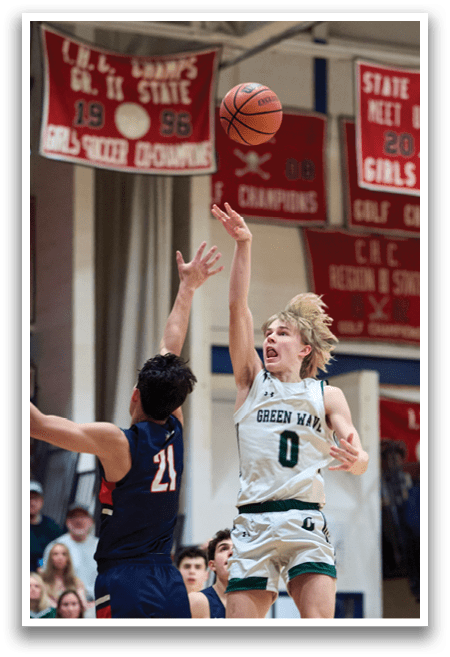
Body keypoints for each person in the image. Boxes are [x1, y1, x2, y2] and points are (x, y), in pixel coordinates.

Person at [30, 241, 223, 619]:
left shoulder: (118, 441)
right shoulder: (175, 427)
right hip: (167, 579)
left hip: (126, 580)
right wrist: (187, 288)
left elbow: (37, 425)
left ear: (135, 395)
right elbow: (171, 347)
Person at [211, 203, 369, 619]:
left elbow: (359, 455)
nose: (270, 338)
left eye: (282, 333)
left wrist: (358, 460)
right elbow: (237, 308)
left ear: (304, 349)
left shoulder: (327, 395)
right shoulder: (251, 382)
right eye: (267, 333)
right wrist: (244, 244)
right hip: (253, 522)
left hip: (304, 519)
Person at [42, 504, 98, 608]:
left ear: (91, 521)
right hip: (64, 604)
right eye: (74, 517)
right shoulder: (55, 546)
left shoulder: (101, 546)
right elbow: (46, 579)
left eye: (83, 517)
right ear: (67, 522)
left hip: (95, 603)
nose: (78, 521)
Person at [188, 530, 233, 618]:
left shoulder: (255, 600)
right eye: (224, 549)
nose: (231, 552)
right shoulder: (197, 600)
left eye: (237, 549)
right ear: (212, 565)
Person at [40, 542, 90, 612]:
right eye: (55, 554)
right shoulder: (41, 581)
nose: (60, 557)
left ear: (68, 558)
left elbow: (83, 606)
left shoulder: (76, 582)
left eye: (64, 554)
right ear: (50, 558)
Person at [30, 480, 64, 572]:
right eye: (29, 498)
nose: (32, 503)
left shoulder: (51, 527)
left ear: (42, 502)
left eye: (35, 499)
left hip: (42, 574)